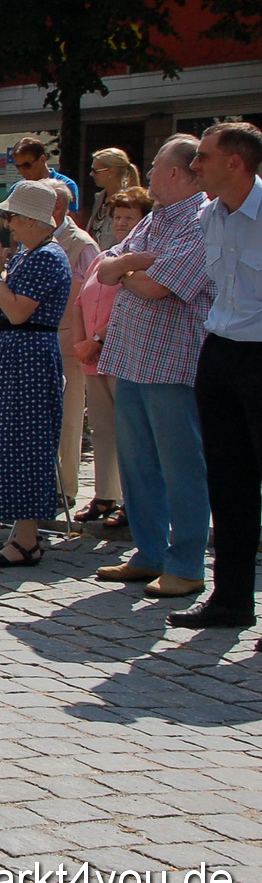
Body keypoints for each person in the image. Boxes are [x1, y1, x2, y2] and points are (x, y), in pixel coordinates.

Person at [90, 137, 214, 600]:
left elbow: (158, 287)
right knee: (138, 463)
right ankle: (149, 552)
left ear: (177, 173)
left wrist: (134, 267)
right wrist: (134, 264)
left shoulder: (202, 220)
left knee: (181, 466)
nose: (148, 173)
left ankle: (186, 563)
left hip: (172, 364)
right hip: (132, 359)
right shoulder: (157, 218)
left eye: (157, 166)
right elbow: (106, 269)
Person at [175, 122, 262, 632]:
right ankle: (230, 601)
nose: (195, 166)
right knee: (228, 483)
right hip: (221, 352)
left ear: (235, 162)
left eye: (203, 157)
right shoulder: (209, 214)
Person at [0, 179, 73, 569]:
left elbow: (18, 312)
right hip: (16, 356)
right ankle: (21, 533)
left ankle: (27, 538)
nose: (8, 224)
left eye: (12, 216)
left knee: (27, 445)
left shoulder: (48, 257)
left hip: (30, 357)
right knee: (11, 444)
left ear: (30, 219)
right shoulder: (31, 254)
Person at [67, 187, 151, 529]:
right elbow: (81, 303)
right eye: (117, 217)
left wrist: (98, 339)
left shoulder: (142, 259)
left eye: (129, 217)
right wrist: (81, 342)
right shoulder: (106, 257)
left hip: (122, 354)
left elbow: (132, 309)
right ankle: (105, 494)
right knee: (102, 429)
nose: (121, 223)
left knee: (131, 432)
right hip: (92, 357)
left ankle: (135, 501)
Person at [47, 180, 102, 511]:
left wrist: (87, 341)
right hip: (41, 339)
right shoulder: (35, 237)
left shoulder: (82, 244)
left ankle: (64, 488)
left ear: (57, 208)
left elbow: (89, 299)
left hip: (68, 341)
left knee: (68, 419)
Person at [7, 135, 79, 215]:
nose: (21, 171)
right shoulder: (17, 188)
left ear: (42, 159)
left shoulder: (66, 185)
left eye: (26, 165)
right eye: (18, 166)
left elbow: (69, 219)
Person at [85, 148, 141, 249]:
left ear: (111, 171)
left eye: (95, 171)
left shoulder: (129, 202)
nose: (91, 174)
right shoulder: (100, 199)